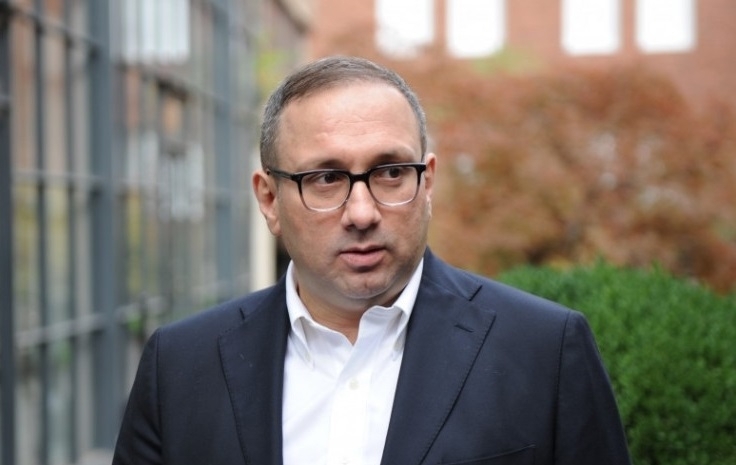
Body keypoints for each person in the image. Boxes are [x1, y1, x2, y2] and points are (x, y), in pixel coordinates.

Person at [112, 56, 631, 465]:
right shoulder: (180, 367)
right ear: (269, 200)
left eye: (390, 173)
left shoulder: (544, 352)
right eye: (325, 178)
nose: (362, 213)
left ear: (427, 182)